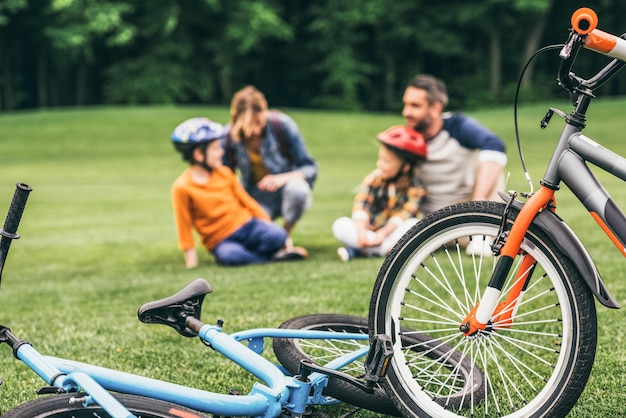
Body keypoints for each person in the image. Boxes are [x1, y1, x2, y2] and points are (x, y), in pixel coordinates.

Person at [170, 117, 307, 268]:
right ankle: (271, 258)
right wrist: (191, 262)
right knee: (231, 256)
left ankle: (259, 254)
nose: (221, 152)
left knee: (278, 235)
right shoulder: (182, 187)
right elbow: (184, 227)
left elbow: (247, 201)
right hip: (220, 240)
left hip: (248, 226)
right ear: (198, 155)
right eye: (215, 148)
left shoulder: (225, 173)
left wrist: (269, 225)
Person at [222, 86, 318, 243]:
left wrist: (281, 178)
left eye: (258, 122)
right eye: (249, 125)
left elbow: (310, 167)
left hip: (287, 192)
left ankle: (284, 237)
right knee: (254, 239)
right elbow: (224, 178)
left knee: (298, 189)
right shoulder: (227, 137)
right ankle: (271, 235)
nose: (255, 130)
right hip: (255, 196)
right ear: (236, 120)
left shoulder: (282, 126)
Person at [402, 74, 507, 216]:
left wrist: (478, 201)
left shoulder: (457, 127)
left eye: (415, 106)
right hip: (428, 221)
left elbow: (494, 145)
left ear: (435, 108)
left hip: (467, 211)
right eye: (406, 104)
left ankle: (484, 224)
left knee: (492, 162)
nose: (406, 112)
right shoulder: (406, 137)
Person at [332, 126, 427, 261]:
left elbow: (403, 216)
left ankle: (362, 250)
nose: (379, 164)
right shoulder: (374, 179)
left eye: (386, 162)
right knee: (340, 225)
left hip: (392, 234)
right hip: (369, 232)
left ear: (405, 167)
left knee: (413, 225)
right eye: (380, 159)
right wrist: (361, 233)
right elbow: (361, 206)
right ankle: (383, 250)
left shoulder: (416, 187)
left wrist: (382, 234)